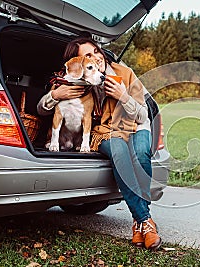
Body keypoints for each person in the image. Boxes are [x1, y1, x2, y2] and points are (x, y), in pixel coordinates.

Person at [37, 37, 160, 250]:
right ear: (79, 62)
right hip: (106, 133)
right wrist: (55, 95)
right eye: (88, 55)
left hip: (137, 126)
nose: (96, 57)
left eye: (96, 51)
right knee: (120, 154)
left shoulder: (125, 73)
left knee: (141, 155)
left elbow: (143, 116)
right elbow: (41, 109)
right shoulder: (81, 81)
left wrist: (123, 96)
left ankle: (140, 222)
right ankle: (145, 222)